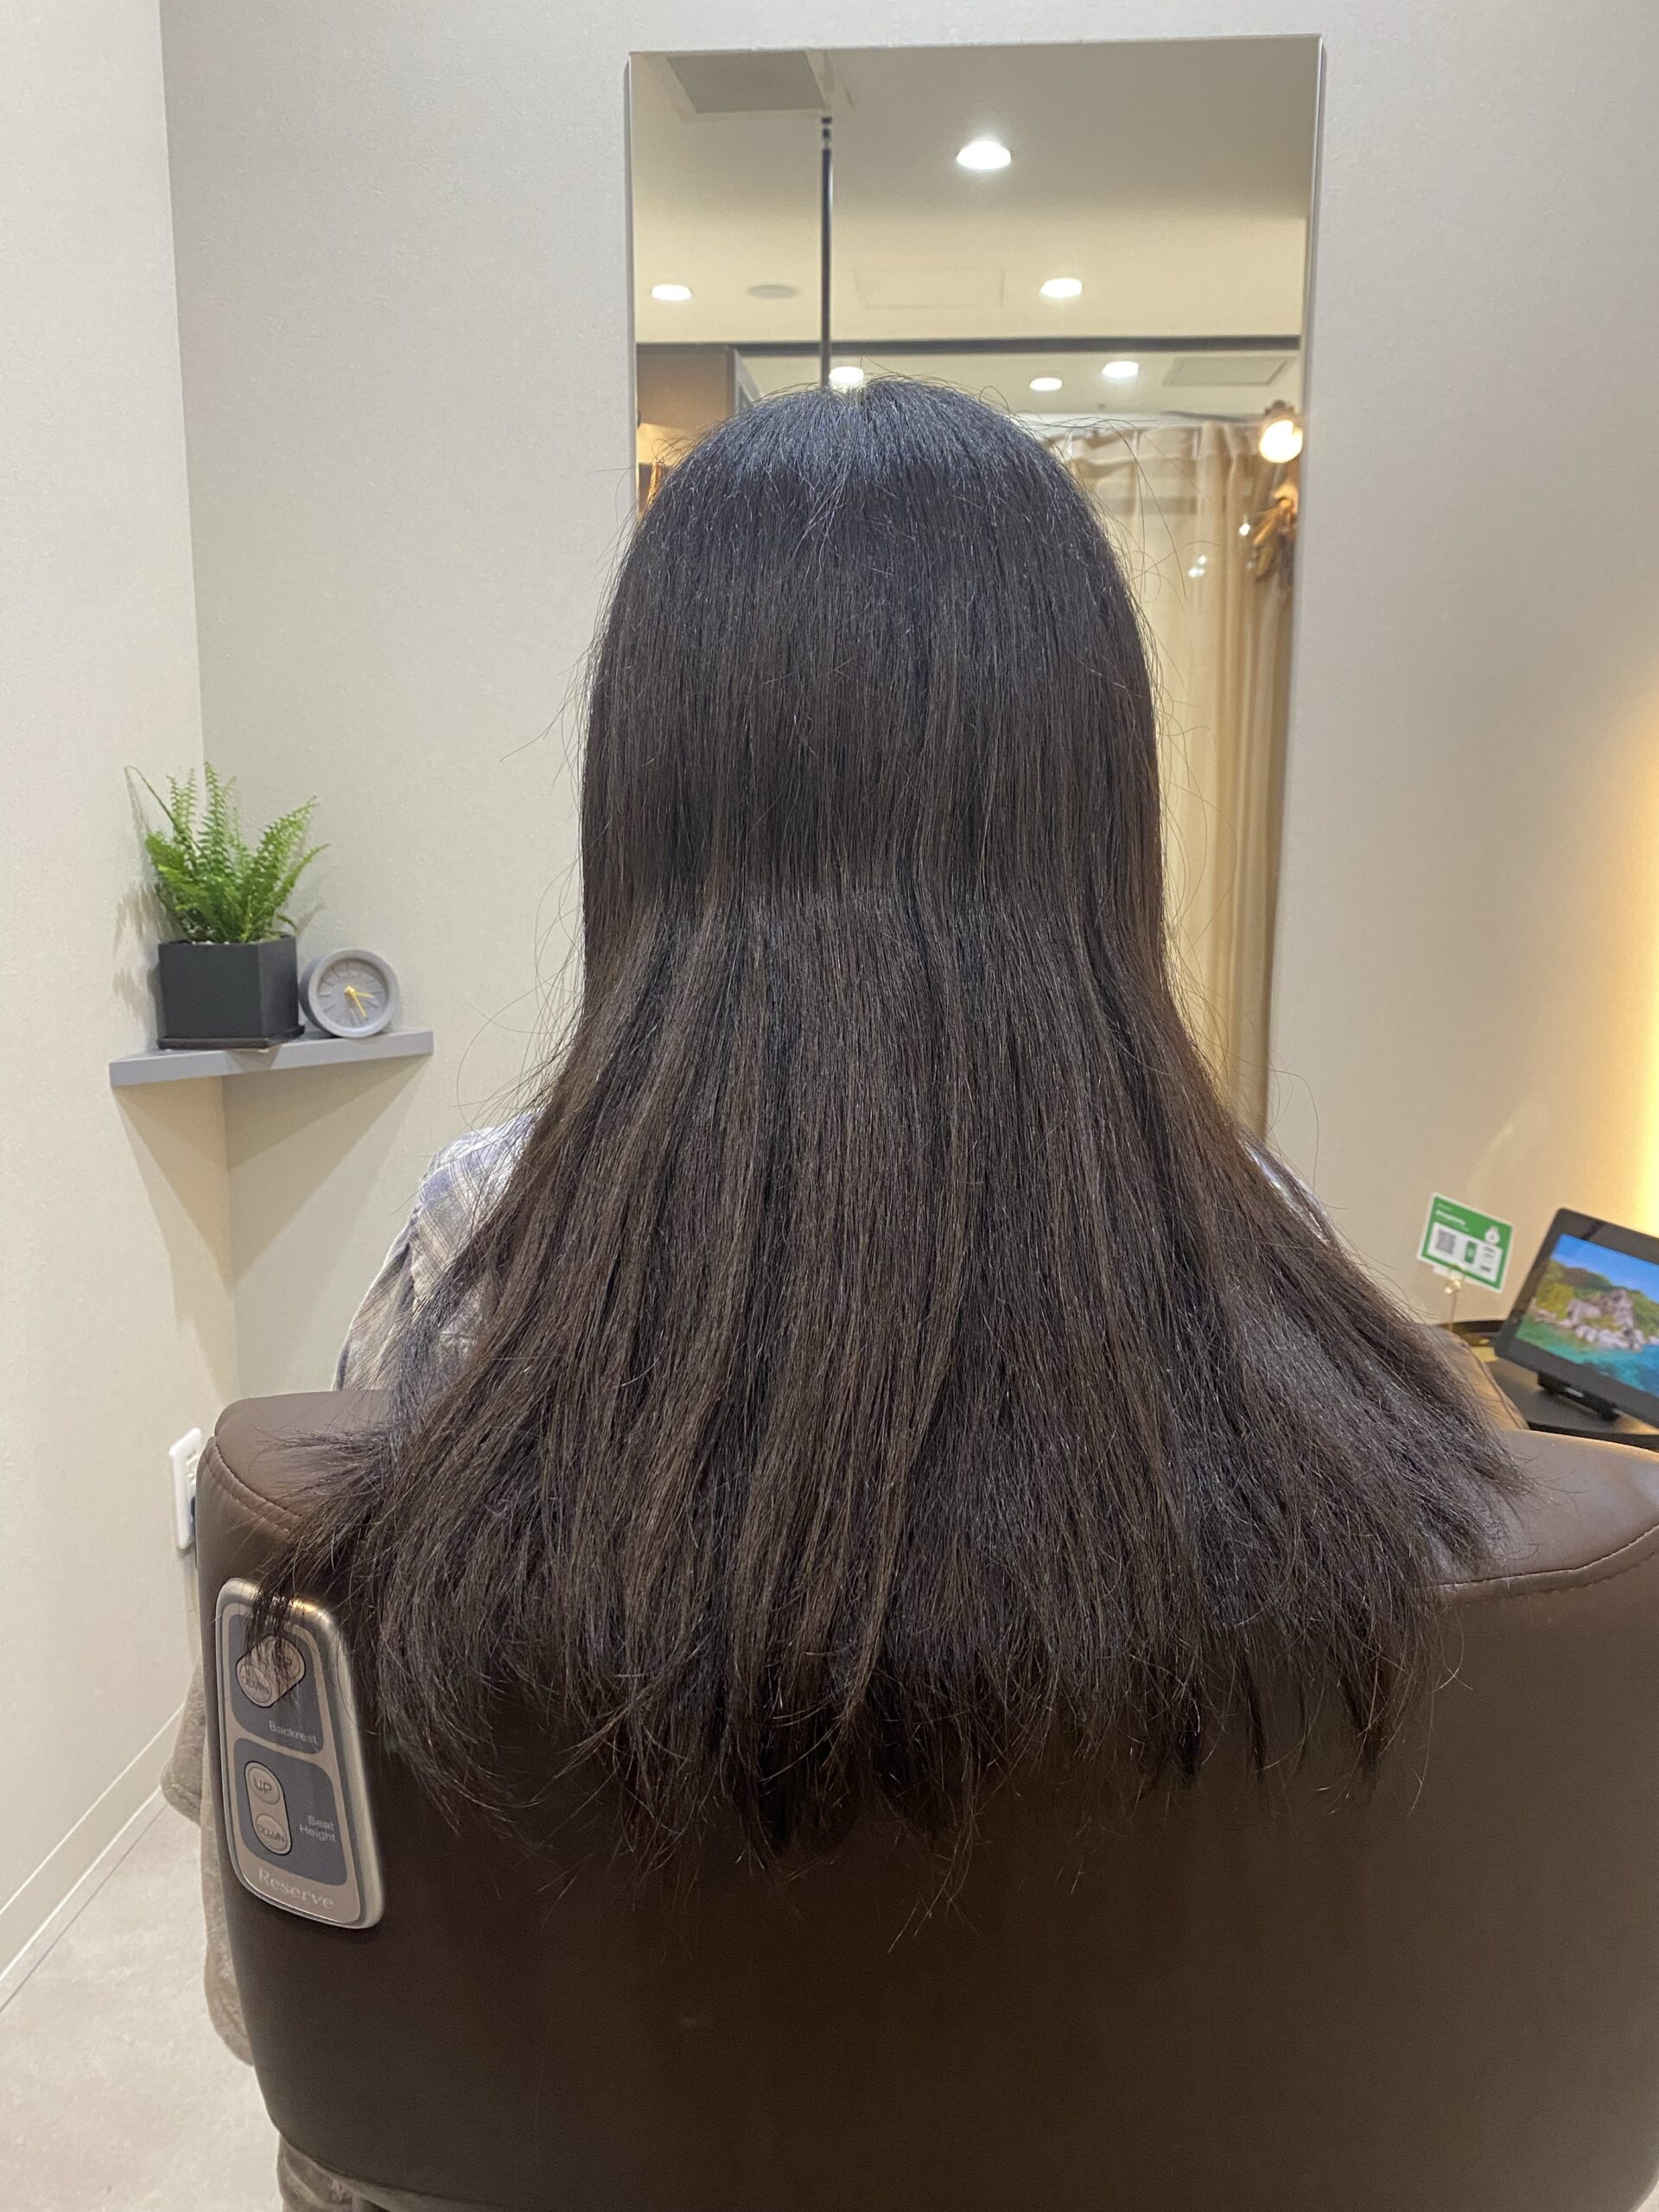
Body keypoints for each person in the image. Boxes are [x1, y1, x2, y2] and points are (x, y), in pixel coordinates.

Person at [168, 378, 1514, 2205]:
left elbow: (276, 2004)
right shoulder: (1265, 1252)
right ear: (1100, 809)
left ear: (645, 804)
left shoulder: (488, 1249)